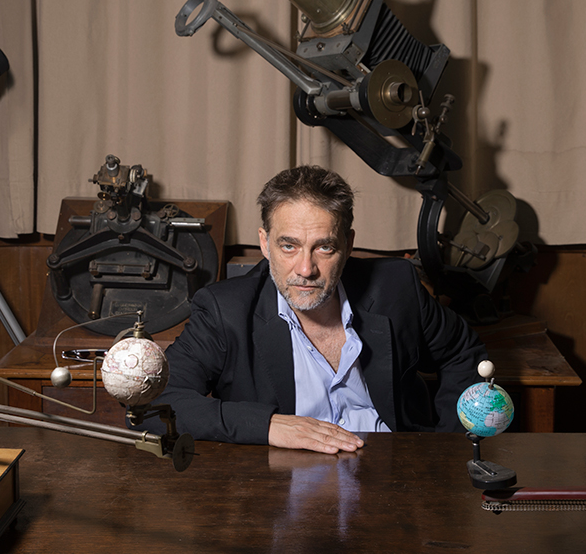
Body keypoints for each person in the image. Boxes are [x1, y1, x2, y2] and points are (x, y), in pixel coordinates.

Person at [158, 165, 488, 453]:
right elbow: (161, 401)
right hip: (283, 485)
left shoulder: (396, 286)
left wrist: (448, 448)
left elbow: (462, 353)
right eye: (289, 246)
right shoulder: (224, 310)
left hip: (396, 470)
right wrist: (268, 425)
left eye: (324, 247)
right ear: (264, 243)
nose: (305, 269)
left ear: (348, 243)